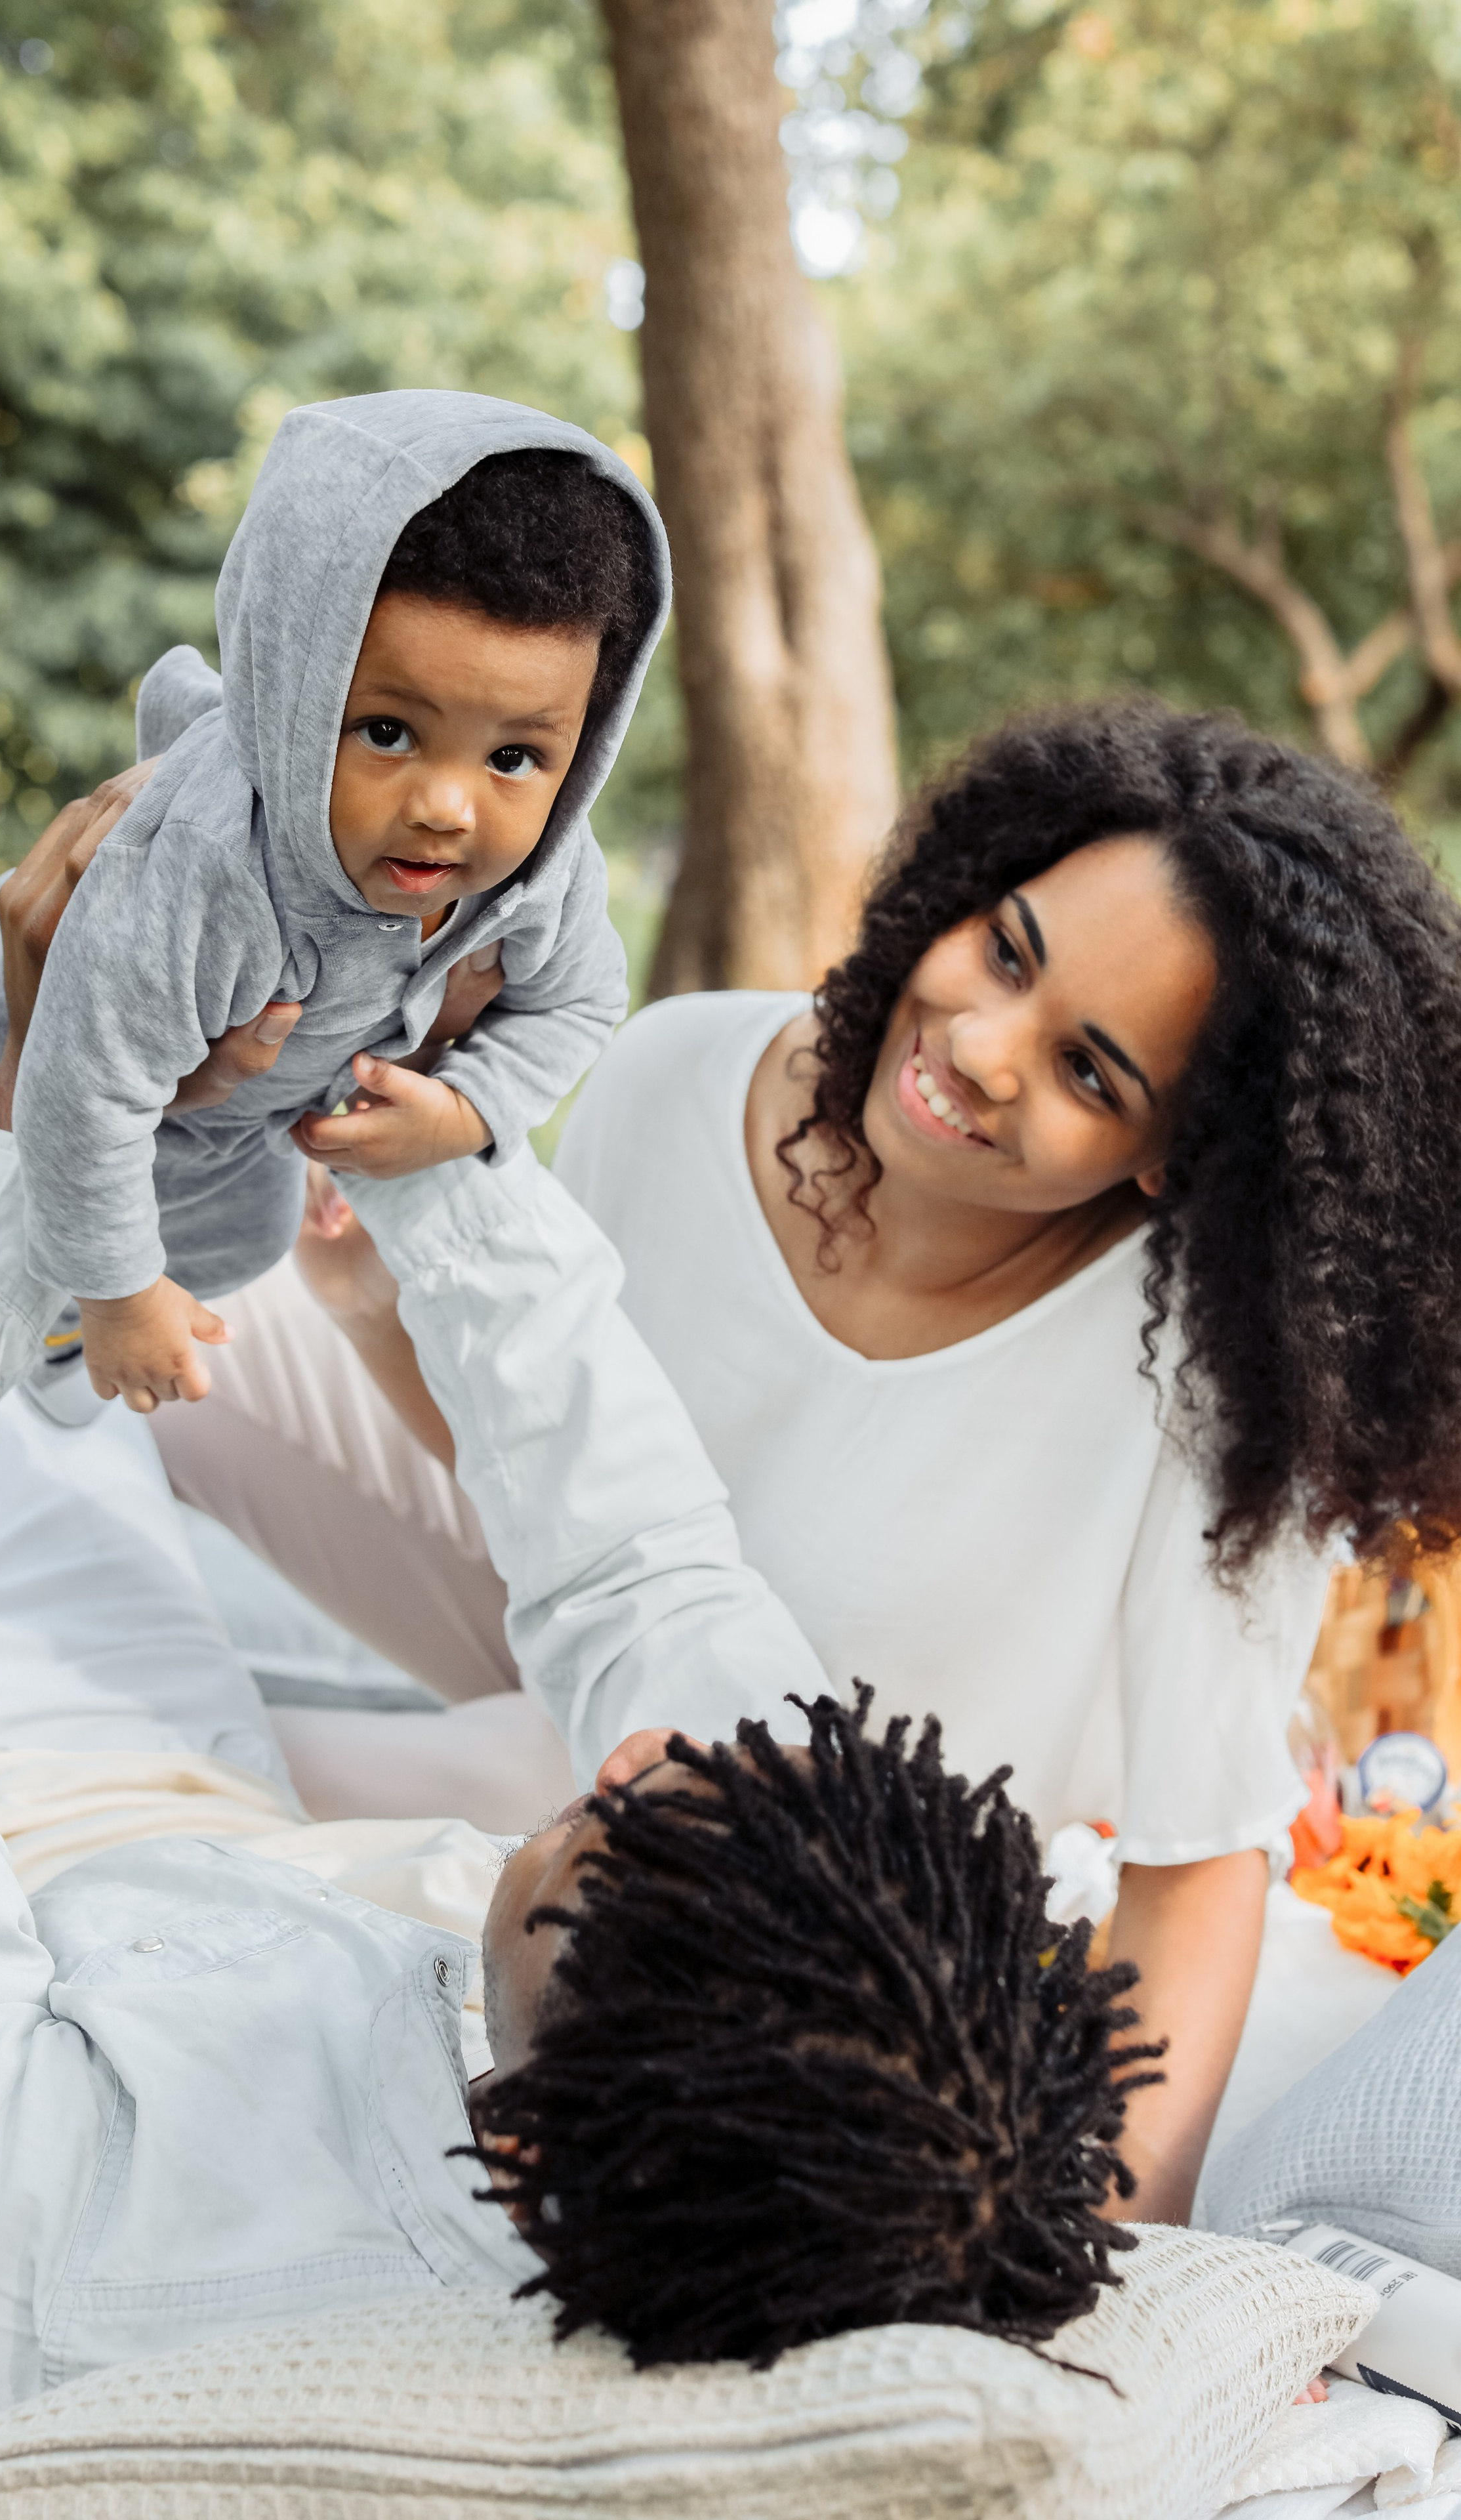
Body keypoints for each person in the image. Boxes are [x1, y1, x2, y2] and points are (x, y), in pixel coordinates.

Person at [0, 926, 1146, 2437]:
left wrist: (6, 1134)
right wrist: (427, 1128)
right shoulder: (774, 1961)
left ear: (529, 2162)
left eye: (616, 1840)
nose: (630, 1765)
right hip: (175, 1811)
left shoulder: (28, 2253)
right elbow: (640, 1566)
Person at [159, 700, 1461, 2227]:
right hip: (579, 1644)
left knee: (176, 1794)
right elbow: (567, 1478)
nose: (975, 1052)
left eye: (1087, 1073)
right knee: (149, 1306)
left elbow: (1193, 1872)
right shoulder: (682, 1068)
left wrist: (1116, 2274)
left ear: (1173, 1153)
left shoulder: (1205, 1377)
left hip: (737, 1852)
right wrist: (375, 1305)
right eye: (1005, 950)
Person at [0, 392, 668, 1410]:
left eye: (515, 755)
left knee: (245, 1238)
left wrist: (472, 1109)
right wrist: (122, 1297)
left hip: (226, 1122)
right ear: (293, 696)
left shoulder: (547, 872)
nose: (448, 808)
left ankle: (64, 1316)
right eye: (387, 732)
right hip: (30, 1050)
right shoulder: (213, 871)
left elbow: (581, 1001)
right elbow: (82, 1089)